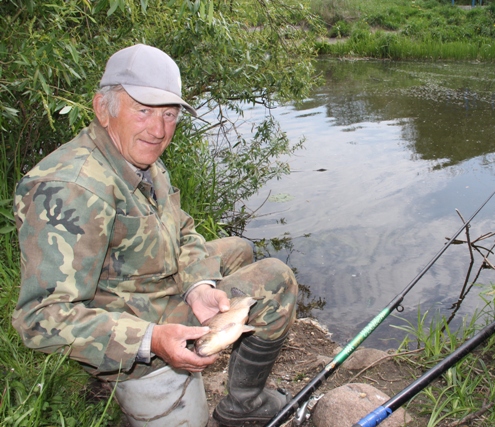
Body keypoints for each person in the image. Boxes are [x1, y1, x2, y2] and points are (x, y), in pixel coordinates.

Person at [12, 43, 298, 427]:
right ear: (103, 109)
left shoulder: (139, 158)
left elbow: (182, 228)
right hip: (127, 323)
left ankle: (230, 379)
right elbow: (39, 319)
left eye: (169, 114)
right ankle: (240, 404)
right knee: (278, 278)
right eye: (143, 110)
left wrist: (198, 285)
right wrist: (151, 340)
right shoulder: (72, 188)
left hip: (146, 282)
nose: (159, 130)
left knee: (239, 249)